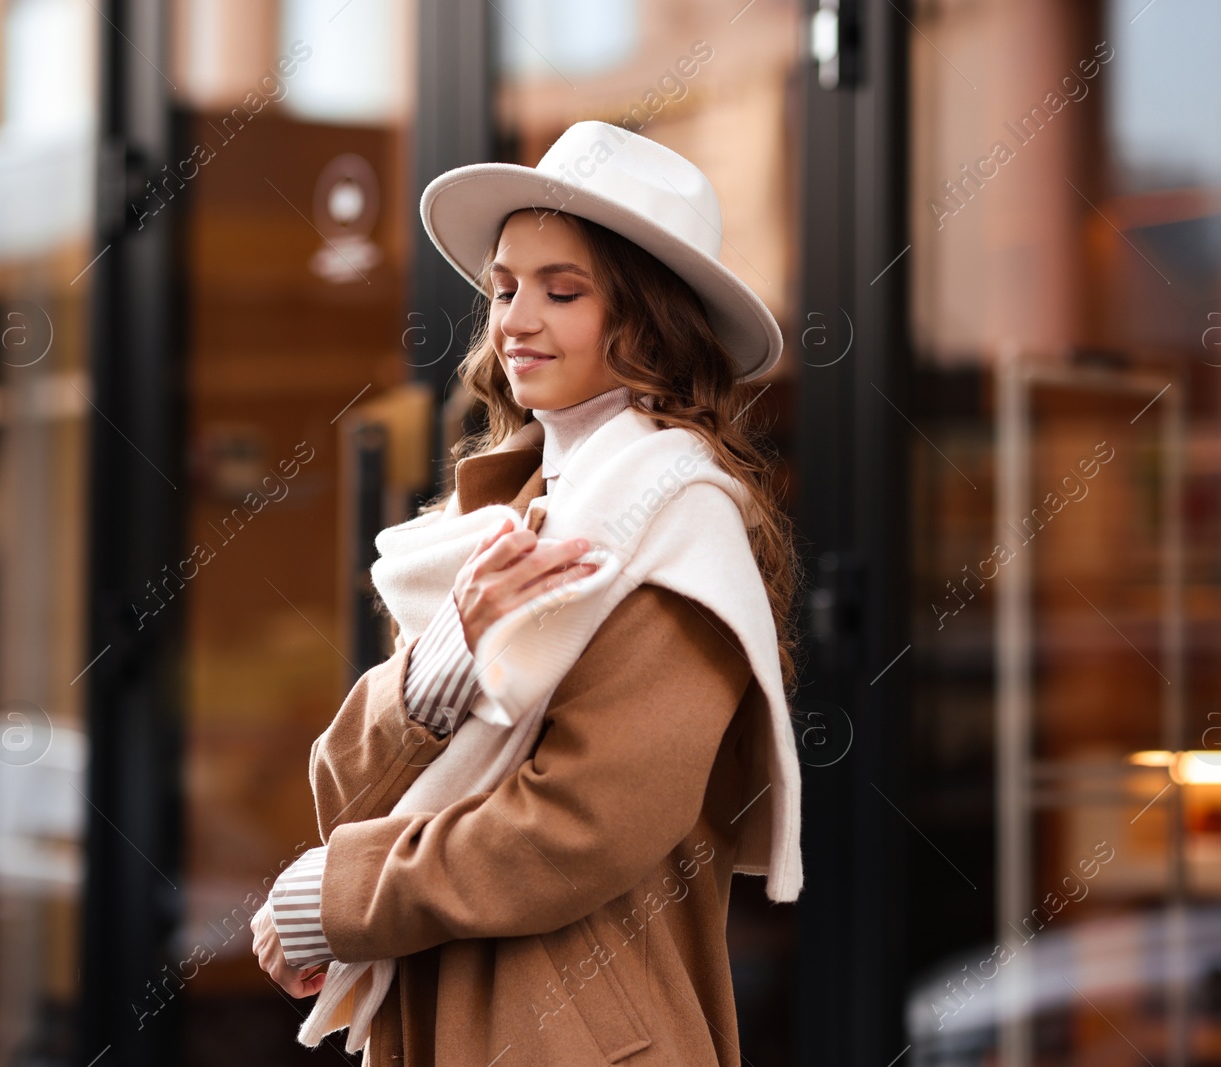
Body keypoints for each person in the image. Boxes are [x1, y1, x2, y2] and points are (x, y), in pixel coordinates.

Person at [250, 119, 805, 1065]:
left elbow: (582, 826)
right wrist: (439, 667)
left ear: (650, 318)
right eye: (505, 287)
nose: (516, 319)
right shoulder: (503, 516)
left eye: (564, 290)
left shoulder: (677, 523)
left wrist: (332, 899)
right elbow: (345, 786)